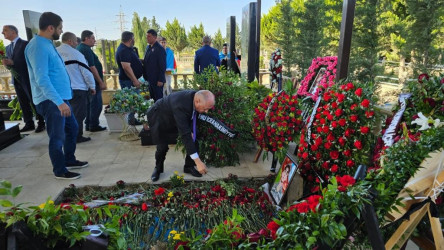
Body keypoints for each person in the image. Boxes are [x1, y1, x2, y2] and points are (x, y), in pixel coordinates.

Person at [25, 12, 88, 180]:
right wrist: (59, 102)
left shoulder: (47, 43)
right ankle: (60, 170)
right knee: (57, 136)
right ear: (51, 27)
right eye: (60, 28)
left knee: (72, 128)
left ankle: (69, 159)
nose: (61, 31)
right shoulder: (37, 46)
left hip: (60, 98)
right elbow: (42, 79)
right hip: (51, 101)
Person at [148, 90, 215, 182]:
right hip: (160, 117)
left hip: (176, 115)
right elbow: (185, 134)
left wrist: (191, 130)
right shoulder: (181, 105)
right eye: (205, 108)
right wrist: (198, 162)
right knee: (162, 146)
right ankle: (158, 169)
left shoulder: (196, 96)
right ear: (197, 101)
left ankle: (189, 166)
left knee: (194, 136)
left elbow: (191, 115)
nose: (206, 112)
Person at [1, 25, 46, 133]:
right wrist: (7, 64)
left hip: (28, 78)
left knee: (33, 100)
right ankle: (29, 123)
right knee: (23, 102)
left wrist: (14, 62)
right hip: (16, 79)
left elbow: (31, 61)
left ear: (13, 32)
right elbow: (11, 64)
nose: (2, 33)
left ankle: (41, 122)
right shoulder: (7, 48)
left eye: (5, 31)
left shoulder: (26, 44)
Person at [57, 32, 96, 143]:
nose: (76, 43)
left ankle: (66, 136)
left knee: (64, 114)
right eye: (75, 41)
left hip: (61, 90)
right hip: (78, 88)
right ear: (69, 41)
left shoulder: (55, 52)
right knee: (78, 114)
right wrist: (92, 86)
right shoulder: (76, 54)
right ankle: (77, 136)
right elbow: (86, 72)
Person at [77, 30, 107, 132]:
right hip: (93, 82)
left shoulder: (83, 48)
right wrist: (100, 82)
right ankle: (93, 124)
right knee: (96, 104)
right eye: (93, 38)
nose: (94, 40)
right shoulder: (85, 49)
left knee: (91, 104)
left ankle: (89, 123)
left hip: (89, 82)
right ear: (86, 38)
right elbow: (92, 67)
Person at [115, 31, 144, 125]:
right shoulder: (124, 50)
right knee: (131, 101)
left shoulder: (127, 48)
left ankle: (132, 120)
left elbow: (132, 61)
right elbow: (126, 67)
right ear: (131, 39)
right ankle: (131, 121)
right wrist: (135, 80)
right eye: (134, 38)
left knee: (133, 102)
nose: (134, 40)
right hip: (128, 81)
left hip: (129, 80)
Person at [142, 29, 166, 102]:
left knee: (158, 100)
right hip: (149, 79)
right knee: (152, 99)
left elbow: (162, 65)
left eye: (149, 36)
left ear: (155, 37)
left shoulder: (160, 49)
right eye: (147, 36)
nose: (147, 38)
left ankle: (160, 113)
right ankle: (154, 113)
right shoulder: (148, 48)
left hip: (157, 80)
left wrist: (160, 80)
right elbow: (146, 61)